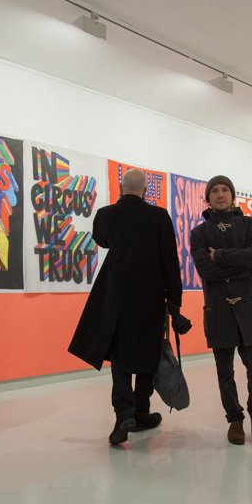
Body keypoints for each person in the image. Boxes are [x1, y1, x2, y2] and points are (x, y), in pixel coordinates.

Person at [68, 169, 183, 446]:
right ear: (145, 191)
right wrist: (175, 302)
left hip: (115, 296)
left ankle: (124, 414)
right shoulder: (159, 217)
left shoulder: (105, 215)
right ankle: (141, 412)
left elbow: (102, 240)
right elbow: (170, 261)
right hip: (150, 297)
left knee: (119, 358)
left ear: (121, 188)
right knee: (146, 356)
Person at [189, 175, 252, 445]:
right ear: (208, 198)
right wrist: (242, 264)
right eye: (215, 191)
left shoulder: (250, 225)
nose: (220, 194)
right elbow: (205, 270)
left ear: (232, 196)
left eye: (225, 190)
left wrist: (221, 255)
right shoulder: (199, 234)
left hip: (249, 308)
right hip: (218, 310)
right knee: (224, 371)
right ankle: (234, 418)